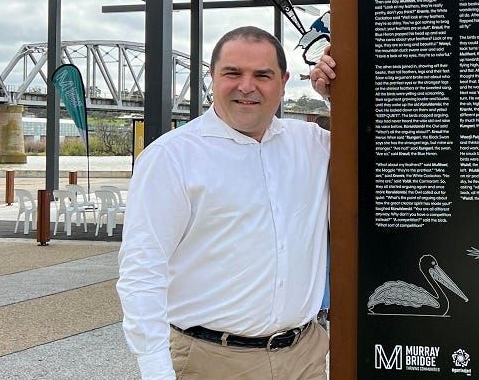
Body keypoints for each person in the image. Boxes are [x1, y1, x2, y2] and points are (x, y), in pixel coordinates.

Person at [118, 26, 330, 380]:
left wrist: (332, 97)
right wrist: (155, 369)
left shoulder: (312, 145)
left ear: (284, 81)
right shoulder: (172, 157)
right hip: (212, 361)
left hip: (304, 358)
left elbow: (383, 148)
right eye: (233, 73)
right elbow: (142, 270)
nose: (246, 86)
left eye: (262, 75)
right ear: (212, 77)